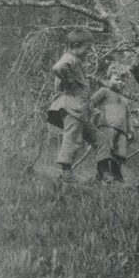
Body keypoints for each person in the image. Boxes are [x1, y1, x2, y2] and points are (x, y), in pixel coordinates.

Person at [47, 28, 94, 176]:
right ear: (76, 45)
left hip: (77, 109)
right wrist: (70, 80)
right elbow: (58, 67)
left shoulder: (74, 60)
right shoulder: (70, 58)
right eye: (87, 48)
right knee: (72, 137)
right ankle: (65, 172)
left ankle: (104, 172)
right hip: (72, 107)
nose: (89, 51)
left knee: (99, 139)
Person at [91, 64, 131, 183]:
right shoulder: (104, 91)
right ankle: (103, 172)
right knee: (105, 150)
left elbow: (128, 116)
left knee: (119, 153)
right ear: (109, 79)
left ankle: (115, 174)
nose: (120, 82)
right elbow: (92, 101)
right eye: (117, 79)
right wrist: (92, 111)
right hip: (107, 126)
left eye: (123, 80)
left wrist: (130, 131)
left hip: (122, 130)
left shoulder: (124, 100)